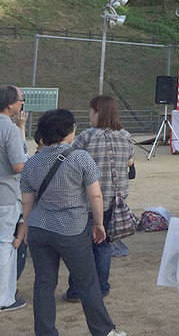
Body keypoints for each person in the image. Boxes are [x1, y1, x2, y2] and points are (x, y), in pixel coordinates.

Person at [19, 109, 125, 336]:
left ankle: (45, 332)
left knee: (44, 283)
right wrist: (99, 223)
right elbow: (96, 195)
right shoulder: (80, 157)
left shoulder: (32, 162)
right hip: (72, 228)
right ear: (68, 132)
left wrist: (28, 228)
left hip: (39, 227)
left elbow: (27, 202)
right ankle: (104, 330)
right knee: (87, 282)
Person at [62, 96, 135, 303]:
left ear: (98, 113)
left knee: (81, 246)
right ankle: (101, 288)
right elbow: (130, 161)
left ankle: (76, 290)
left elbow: (69, 158)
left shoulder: (87, 136)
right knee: (103, 245)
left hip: (86, 200)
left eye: (91, 112)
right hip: (114, 199)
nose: (90, 116)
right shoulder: (126, 136)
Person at [0, 85, 27, 313]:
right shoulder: (8, 129)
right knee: (4, 247)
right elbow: (18, 165)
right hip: (5, 196)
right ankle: (4, 298)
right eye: (21, 100)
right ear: (10, 104)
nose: (22, 104)